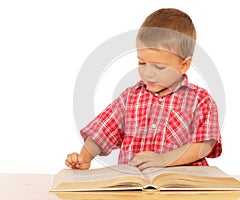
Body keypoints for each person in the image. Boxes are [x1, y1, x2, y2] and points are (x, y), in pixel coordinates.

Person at [66, 8, 222, 171]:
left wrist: (164, 159)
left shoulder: (201, 100)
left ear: (184, 65)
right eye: (141, 63)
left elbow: (205, 144)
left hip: (182, 187)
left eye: (159, 67)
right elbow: (103, 130)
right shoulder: (130, 97)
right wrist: (84, 157)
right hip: (134, 188)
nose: (148, 72)